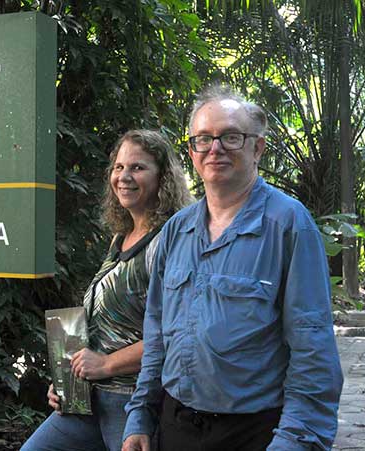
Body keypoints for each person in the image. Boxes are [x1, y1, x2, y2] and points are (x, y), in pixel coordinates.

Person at [122, 85, 344, 451]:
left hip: (254, 434)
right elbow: (157, 331)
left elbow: (312, 347)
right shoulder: (177, 229)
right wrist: (140, 416)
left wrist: (295, 441)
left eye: (230, 137)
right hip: (176, 427)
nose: (215, 148)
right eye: (203, 139)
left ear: (257, 147)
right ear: (192, 151)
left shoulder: (288, 224)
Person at [21, 130, 193, 451]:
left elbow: (177, 333)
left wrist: (106, 364)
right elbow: (103, 321)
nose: (124, 177)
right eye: (118, 167)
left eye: (137, 168)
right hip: (88, 398)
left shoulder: (169, 240)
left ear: (164, 177)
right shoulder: (120, 238)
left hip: (132, 401)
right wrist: (66, 379)